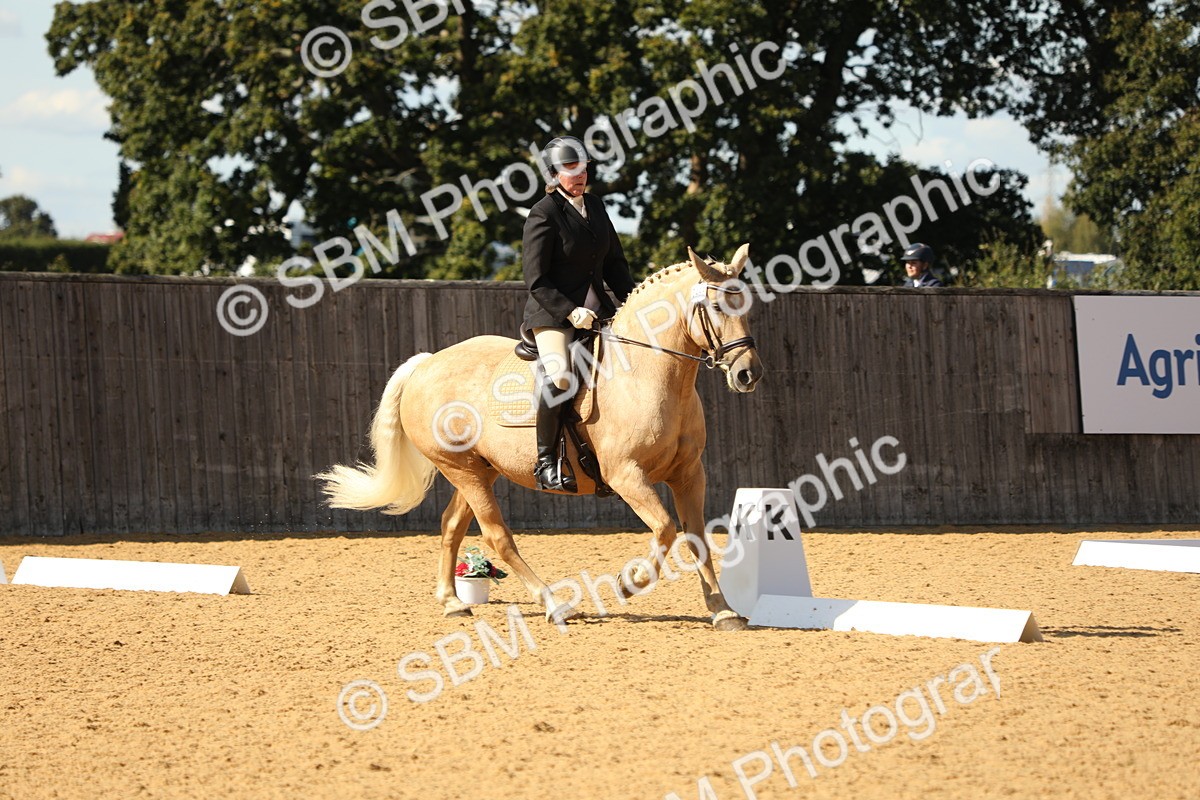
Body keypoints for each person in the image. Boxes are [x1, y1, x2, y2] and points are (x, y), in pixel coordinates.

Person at [521, 135, 636, 492]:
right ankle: (546, 463)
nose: (579, 175)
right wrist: (571, 313)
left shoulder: (597, 206)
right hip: (553, 315)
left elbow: (615, 263)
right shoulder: (544, 213)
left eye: (582, 167)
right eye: (570, 169)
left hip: (599, 309)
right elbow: (536, 279)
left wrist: (632, 302)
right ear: (553, 174)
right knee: (561, 377)